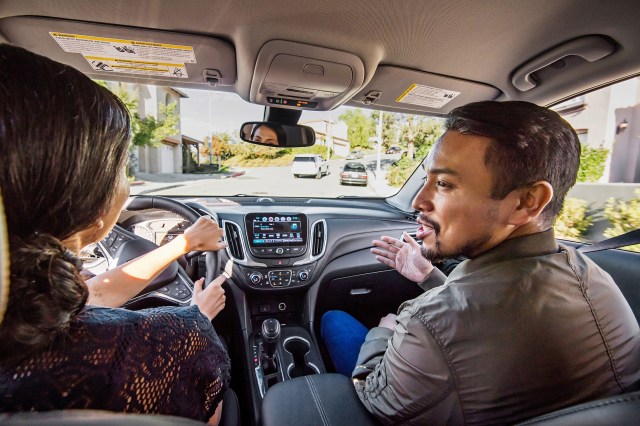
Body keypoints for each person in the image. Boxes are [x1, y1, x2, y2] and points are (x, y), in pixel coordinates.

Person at [321, 101, 640, 424]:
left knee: (334, 321)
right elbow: (486, 315)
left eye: (444, 184)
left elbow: (376, 398)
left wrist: (383, 333)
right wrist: (429, 276)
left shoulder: (430, 323)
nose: (418, 201)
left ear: (525, 203)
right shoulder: (596, 279)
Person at [0, 44, 230, 424]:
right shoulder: (172, 342)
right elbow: (208, 414)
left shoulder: (20, 306)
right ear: (83, 195)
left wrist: (184, 243)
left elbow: (96, 295)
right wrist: (198, 318)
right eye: (123, 166)